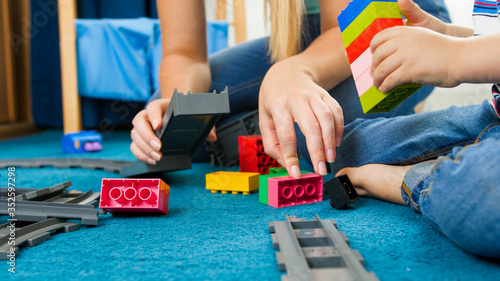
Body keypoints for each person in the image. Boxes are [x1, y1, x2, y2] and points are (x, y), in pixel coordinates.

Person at [130, 0, 450, 178]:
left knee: (317, 136)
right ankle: (272, 115)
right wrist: (177, 107)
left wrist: (292, 71)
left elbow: (346, 28)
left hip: (388, 18)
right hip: (303, 33)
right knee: (177, 132)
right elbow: (184, 54)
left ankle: (273, 117)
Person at [332, 0, 500, 258]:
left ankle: (408, 178)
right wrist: (445, 35)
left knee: (480, 190)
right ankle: (450, 168)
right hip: (493, 115)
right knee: (348, 149)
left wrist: (453, 56)